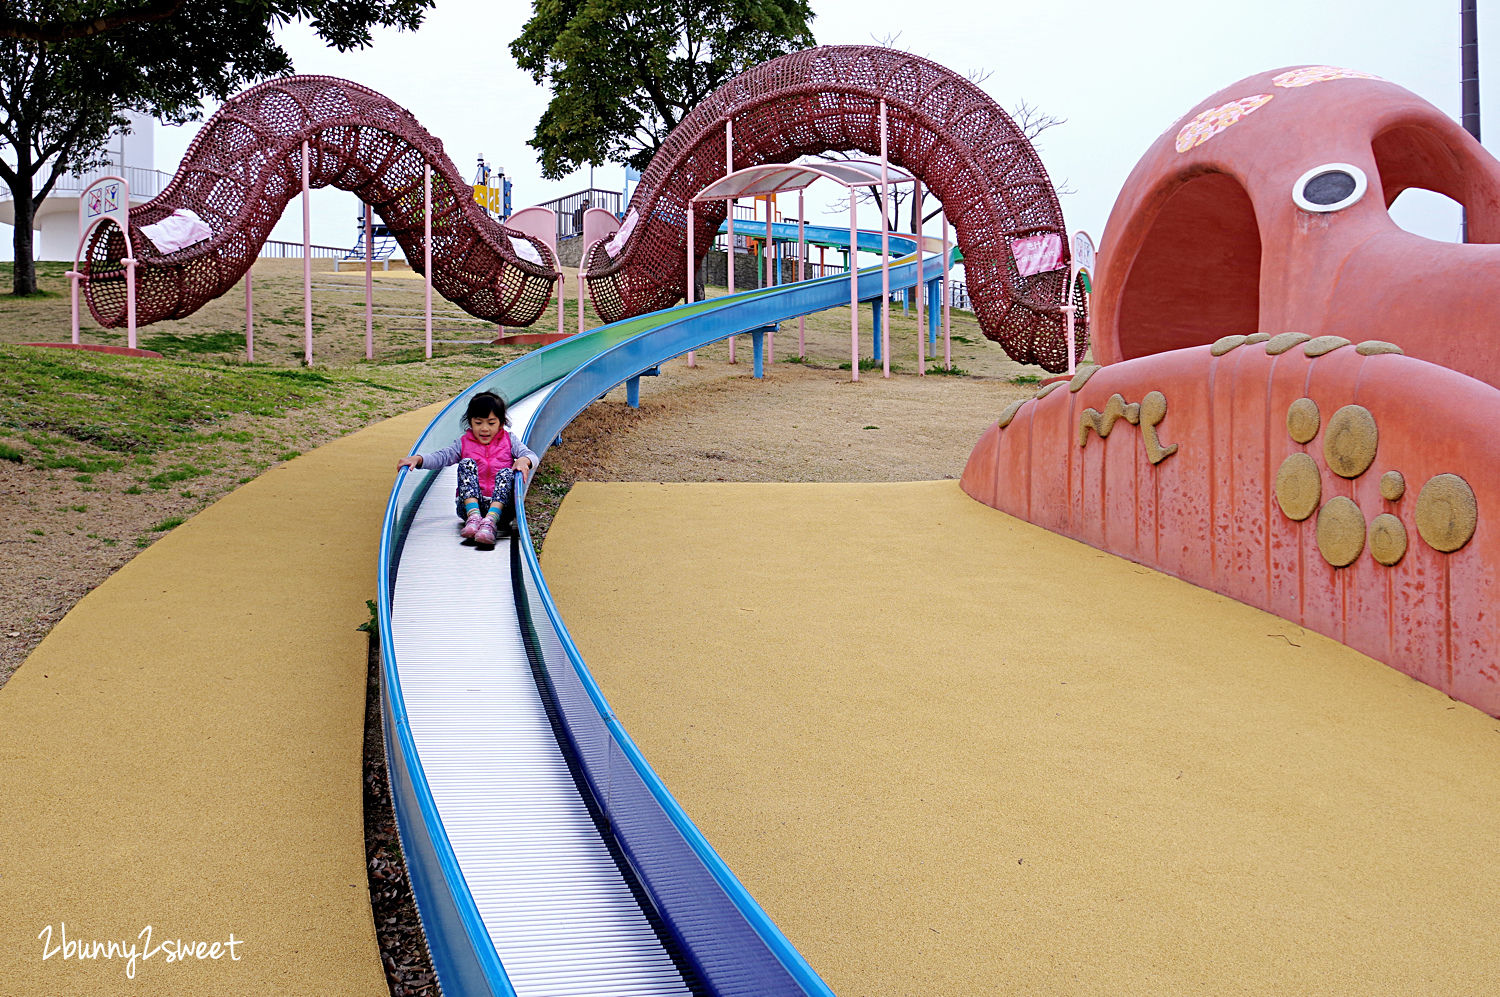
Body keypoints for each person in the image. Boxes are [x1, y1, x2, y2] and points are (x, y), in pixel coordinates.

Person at [397, 391, 537, 547]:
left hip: (502, 509)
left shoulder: (509, 441)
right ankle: (474, 517)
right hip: (469, 506)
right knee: (466, 464)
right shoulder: (463, 443)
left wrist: (524, 460)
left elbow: (531, 455)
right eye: (478, 423)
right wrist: (419, 459)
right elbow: (442, 456)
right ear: (470, 422)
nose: (484, 428)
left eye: (491, 423)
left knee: (506, 473)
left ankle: (490, 521)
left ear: (501, 423)